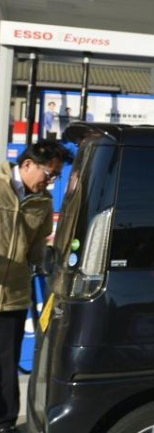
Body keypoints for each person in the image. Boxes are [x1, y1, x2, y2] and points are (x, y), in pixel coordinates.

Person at [0, 139, 71, 432]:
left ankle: (5, 423)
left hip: (14, 296)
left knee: (6, 365)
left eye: (56, 176)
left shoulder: (43, 202)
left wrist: (48, 264)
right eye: (49, 174)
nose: (50, 182)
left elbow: (37, 246)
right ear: (27, 164)